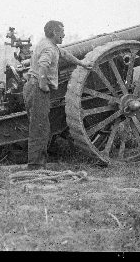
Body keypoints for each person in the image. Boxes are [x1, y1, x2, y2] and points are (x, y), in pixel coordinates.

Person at [23, 20, 94, 170]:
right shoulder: (49, 49)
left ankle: (38, 162)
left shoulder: (48, 44)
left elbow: (65, 54)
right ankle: (35, 166)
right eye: (62, 32)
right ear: (55, 33)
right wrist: (43, 85)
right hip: (37, 88)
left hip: (31, 86)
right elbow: (43, 66)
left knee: (42, 125)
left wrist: (81, 63)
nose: (64, 34)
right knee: (40, 127)